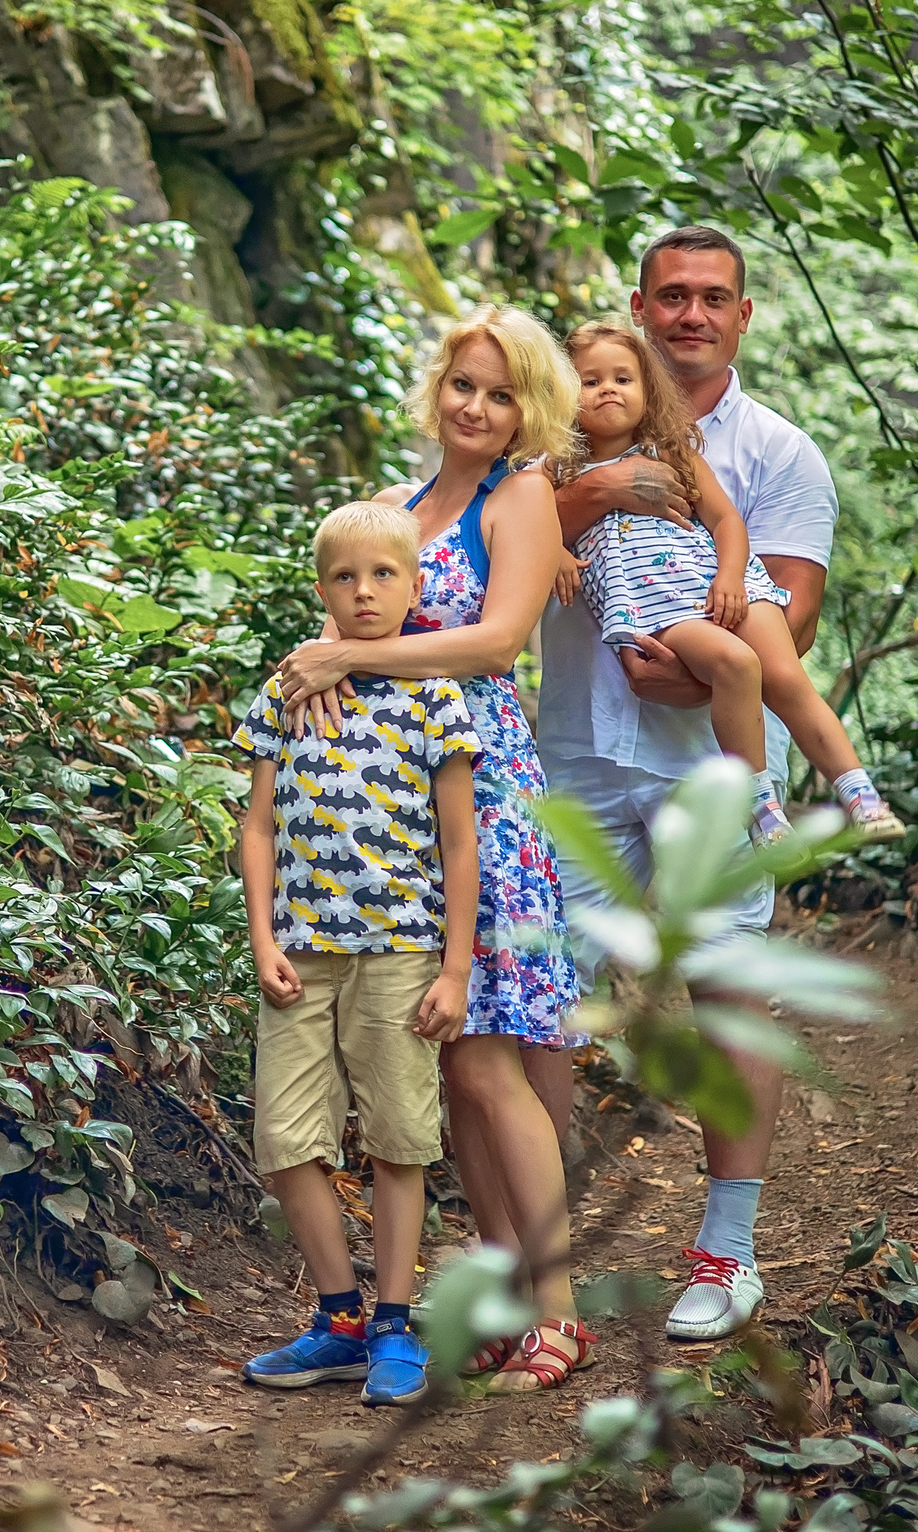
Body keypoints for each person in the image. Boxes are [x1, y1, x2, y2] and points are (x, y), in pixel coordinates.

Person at [273, 304, 593, 1394]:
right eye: (464, 384)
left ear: (531, 410)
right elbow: (367, 620)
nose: (477, 407)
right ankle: (501, 1297)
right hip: (395, 810)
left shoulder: (522, 495)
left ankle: (559, 1311)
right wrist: (315, 662)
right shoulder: (412, 504)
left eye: (502, 394)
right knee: (449, 1063)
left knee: (493, 1062)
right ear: (438, 387)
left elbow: (499, 639)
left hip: (485, 799)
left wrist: (346, 659)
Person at [536, 226, 848, 1344]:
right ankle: (541, 1277)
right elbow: (489, 554)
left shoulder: (775, 452)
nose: (690, 315)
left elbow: (792, 613)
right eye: (670, 296)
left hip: (705, 765)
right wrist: (591, 495)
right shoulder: (557, 432)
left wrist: (695, 672)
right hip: (570, 752)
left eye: (713, 297)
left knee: (725, 995)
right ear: (637, 305)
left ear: (744, 314)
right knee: (538, 1005)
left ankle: (728, 1251)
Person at [236, 500, 480, 1408]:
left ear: (415, 587)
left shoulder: (436, 696)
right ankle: (337, 1318)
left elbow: (461, 842)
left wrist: (454, 967)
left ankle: (392, 1321)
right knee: (286, 1139)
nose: (364, 591)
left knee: (398, 1138)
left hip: (402, 953)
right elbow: (255, 828)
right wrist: (263, 937)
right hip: (301, 954)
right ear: (321, 589)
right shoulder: (287, 691)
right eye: (345, 577)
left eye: (384, 574)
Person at [551, 319, 901, 846]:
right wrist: (555, 550)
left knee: (786, 679)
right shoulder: (553, 472)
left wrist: (732, 576)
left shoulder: (671, 451)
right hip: (657, 606)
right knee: (738, 664)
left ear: (648, 388)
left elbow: (726, 522)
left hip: (724, 583)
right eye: (590, 381)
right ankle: (762, 810)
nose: (608, 391)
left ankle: (861, 797)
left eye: (623, 379)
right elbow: (529, 533)